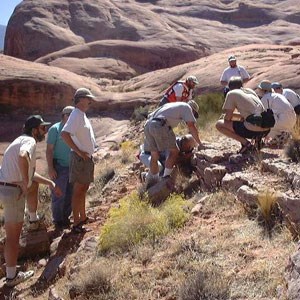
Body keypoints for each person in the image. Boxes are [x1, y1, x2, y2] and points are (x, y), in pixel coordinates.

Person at [0, 115, 62, 287]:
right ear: (34, 130)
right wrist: (25, 184)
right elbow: (22, 157)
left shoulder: (20, 139)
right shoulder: (29, 141)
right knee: (13, 237)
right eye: (43, 128)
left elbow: (28, 173)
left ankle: (11, 274)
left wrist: (49, 182)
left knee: (12, 235)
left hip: (7, 188)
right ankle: (11, 278)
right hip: (13, 191)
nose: (45, 131)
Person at [61, 88, 97, 234]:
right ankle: (76, 223)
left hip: (85, 158)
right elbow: (65, 134)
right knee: (78, 190)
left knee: (83, 189)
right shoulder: (76, 114)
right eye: (88, 98)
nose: (90, 101)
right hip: (80, 159)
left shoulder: (81, 115)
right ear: (80, 99)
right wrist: (78, 151)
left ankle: (82, 217)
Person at [143, 100, 202, 187]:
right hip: (160, 124)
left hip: (148, 125)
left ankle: (154, 181)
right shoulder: (187, 107)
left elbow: (150, 116)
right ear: (192, 109)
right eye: (194, 114)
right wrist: (199, 144)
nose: (193, 116)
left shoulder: (170, 106)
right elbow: (191, 126)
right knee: (174, 151)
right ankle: (165, 178)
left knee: (154, 156)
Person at [216, 77, 270, 154]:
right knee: (244, 120)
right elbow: (251, 113)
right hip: (266, 130)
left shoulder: (232, 93)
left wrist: (226, 116)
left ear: (229, 87)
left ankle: (246, 144)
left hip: (252, 130)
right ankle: (258, 141)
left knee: (219, 124)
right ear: (242, 85)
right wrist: (236, 116)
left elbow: (227, 118)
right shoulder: (250, 91)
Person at [46, 106, 74, 229]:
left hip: (73, 167)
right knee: (58, 194)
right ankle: (57, 221)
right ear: (64, 115)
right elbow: (49, 150)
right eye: (70, 114)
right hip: (59, 167)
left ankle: (65, 218)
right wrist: (51, 168)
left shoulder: (74, 129)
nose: (72, 117)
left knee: (70, 194)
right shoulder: (55, 129)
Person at [257, 80, 296, 147]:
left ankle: (260, 141)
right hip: (293, 120)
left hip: (283, 121)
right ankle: (282, 136)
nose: (258, 91)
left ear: (264, 90)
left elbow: (258, 112)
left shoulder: (265, 98)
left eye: (259, 89)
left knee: (262, 120)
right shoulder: (278, 95)